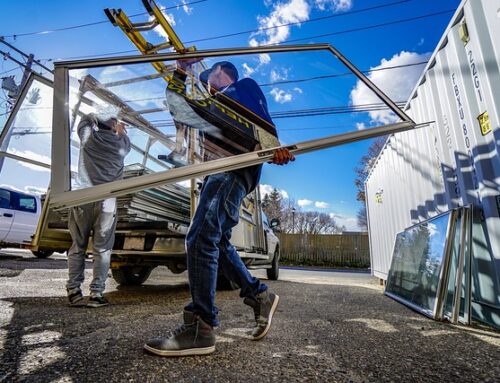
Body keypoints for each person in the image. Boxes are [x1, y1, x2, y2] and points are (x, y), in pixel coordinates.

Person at [144, 60, 294, 356]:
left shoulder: (240, 88)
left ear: (221, 72)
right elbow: (177, 105)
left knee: (199, 238)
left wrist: (274, 146)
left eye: (209, 75)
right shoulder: (208, 106)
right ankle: (258, 295)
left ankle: (202, 326)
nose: (207, 82)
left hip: (233, 169)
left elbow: (261, 118)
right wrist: (180, 72)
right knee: (218, 242)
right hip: (217, 174)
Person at [66, 113, 131, 308]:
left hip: (83, 197)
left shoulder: (88, 138)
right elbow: (124, 138)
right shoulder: (121, 145)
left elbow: (85, 120)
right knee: (102, 249)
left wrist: (96, 115)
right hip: (107, 202)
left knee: (77, 246)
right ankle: (96, 294)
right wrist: (119, 129)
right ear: (112, 124)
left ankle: (74, 291)